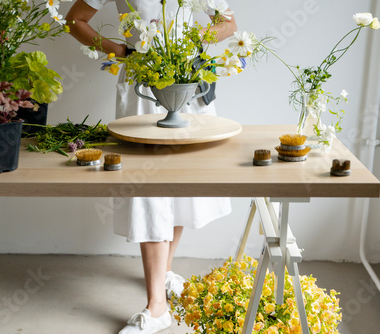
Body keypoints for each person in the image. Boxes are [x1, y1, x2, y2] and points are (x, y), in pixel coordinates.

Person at [66, 1, 236, 333]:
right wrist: (118, 50)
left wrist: (191, 38)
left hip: (189, 79)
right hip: (144, 86)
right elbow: (75, 20)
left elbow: (228, 23)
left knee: (180, 182)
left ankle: (165, 271)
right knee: (148, 186)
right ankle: (158, 307)